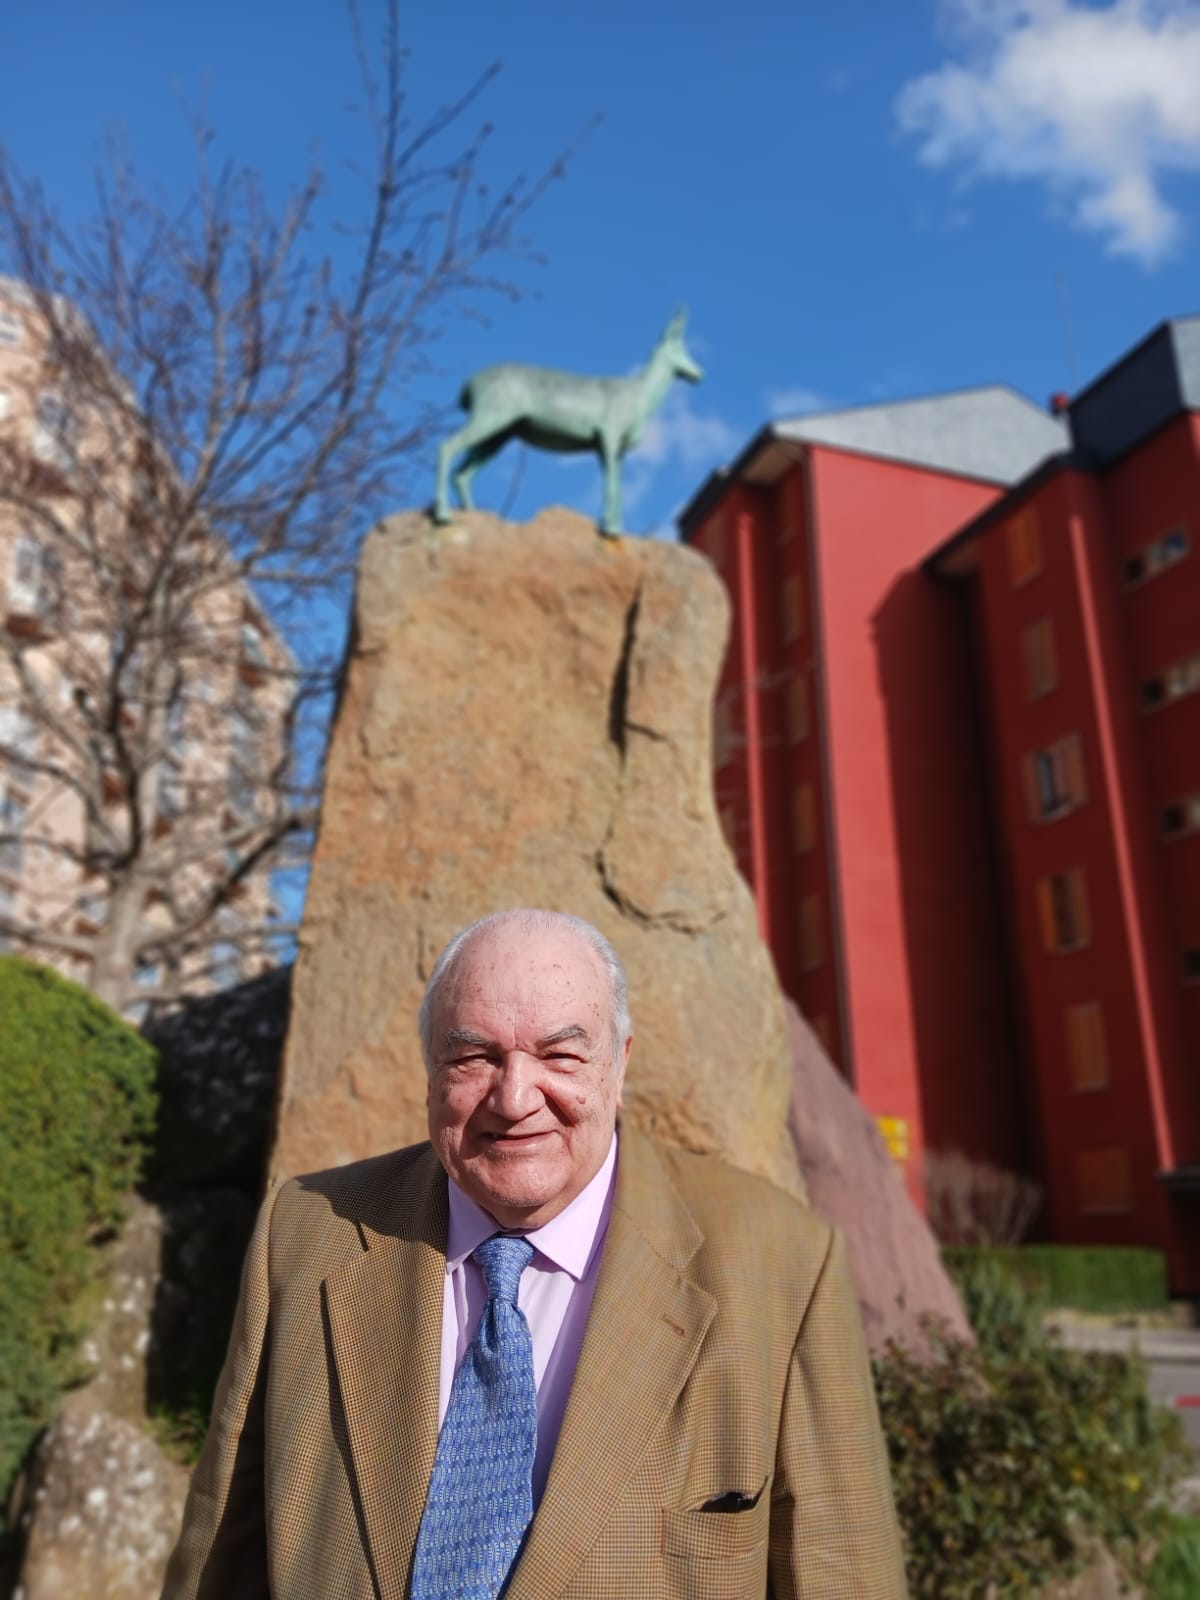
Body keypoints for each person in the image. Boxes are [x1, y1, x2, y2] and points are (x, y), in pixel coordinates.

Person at [162, 908, 907, 1599]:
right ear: (429, 1068)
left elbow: (843, 1572)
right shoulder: (306, 1234)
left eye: (559, 1054)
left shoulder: (780, 1265)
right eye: (475, 1057)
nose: (515, 1097)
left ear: (618, 1063)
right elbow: (220, 1560)